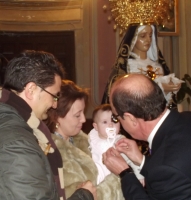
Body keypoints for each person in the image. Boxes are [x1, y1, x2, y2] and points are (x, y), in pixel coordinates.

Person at [0, 50, 95, 200]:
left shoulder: (18, 125)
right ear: (31, 90)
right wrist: (85, 196)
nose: (55, 104)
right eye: (54, 95)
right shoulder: (17, 143)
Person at [103, 74, 191, 199]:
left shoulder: (167, 168)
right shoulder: (186, 118)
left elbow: (168, 168)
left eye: (115, 117)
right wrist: (141, 159)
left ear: (130, 118)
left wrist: (125, 172)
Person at [45, 80, 124, 200]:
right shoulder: (53, 154)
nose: (83, 119)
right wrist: (121, 176)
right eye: (77, 115)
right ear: (57, 118)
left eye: (83, 112)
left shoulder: (86, 139)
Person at [102, 24, 182, 104]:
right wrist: (161, 89)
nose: (148, 40)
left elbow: (164, 101)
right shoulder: (129, 67)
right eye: (143, 36)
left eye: (150, 36)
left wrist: (170, 88)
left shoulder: (157, 66)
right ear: (133, 38)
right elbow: (129, 95)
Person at [88, 104, 145, 185]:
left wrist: (139, 176)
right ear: (96, 127)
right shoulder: (92, 136)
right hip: (92, 174)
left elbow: (132, 159)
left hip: (112, 179)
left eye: (115, 121)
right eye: (105, 122)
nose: (110, 125)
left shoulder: (119, 141)